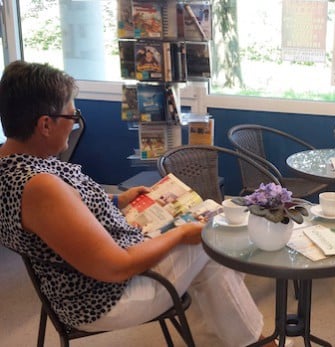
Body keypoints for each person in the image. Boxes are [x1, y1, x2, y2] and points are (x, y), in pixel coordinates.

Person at [0, 61, 267, 347]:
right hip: (106, 297)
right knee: (212, 245)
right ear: (45, 124)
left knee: (212, 261)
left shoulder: (16, 164)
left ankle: (238, 339)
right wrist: (180, 233)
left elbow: (65, 214)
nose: (75, 122)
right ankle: (255, 343)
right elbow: (116, 267)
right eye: (72, 115)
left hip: (100, 275)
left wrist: (117, 200)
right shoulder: (39, 186)